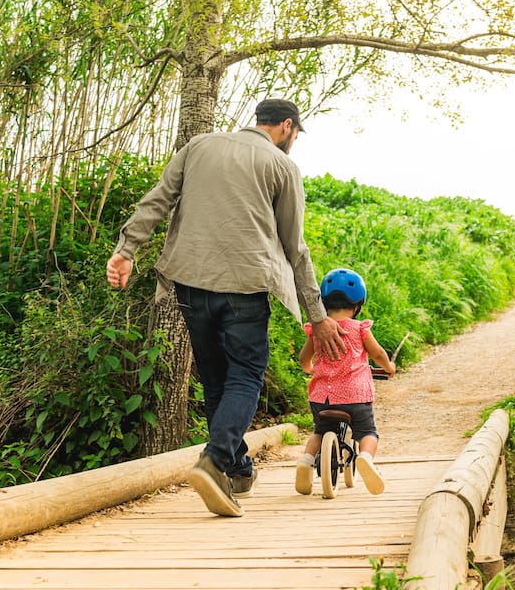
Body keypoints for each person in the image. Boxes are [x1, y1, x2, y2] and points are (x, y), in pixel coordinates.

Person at [106, 98, 346, 518]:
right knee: (246, 376)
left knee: (216, 379)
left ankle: (237, 470)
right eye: (294, 135)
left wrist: (127, 250)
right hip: (245, 285)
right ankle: (215, 460)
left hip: (190, 283)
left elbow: (158, 200)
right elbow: (296, 248)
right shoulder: (282, 166)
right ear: (287, 127)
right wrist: (318, 315)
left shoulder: (199, 146)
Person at [295, 267, 396, 496]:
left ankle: (305, 461)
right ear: (358, 305)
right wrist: (388, 367)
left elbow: (303, 359)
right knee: (367, 431)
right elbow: (378, 354)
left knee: (320, 432)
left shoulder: (317, 331)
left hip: (323, 397)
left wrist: (311, 369)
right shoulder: (359, 329)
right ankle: (365, 458)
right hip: (356, 396)